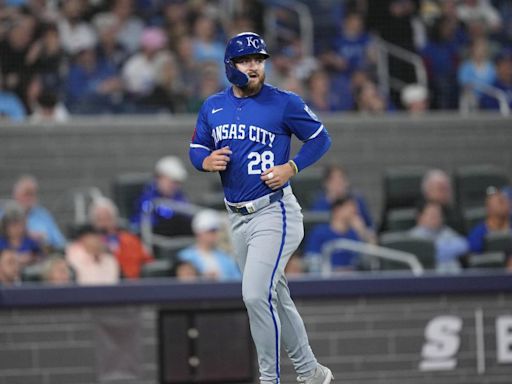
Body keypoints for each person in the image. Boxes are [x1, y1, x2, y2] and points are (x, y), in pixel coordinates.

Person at [189, 32, 333, 384]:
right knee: (275, 295)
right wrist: (205, 160)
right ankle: (311, 372)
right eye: (245, 60)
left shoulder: (284, 102)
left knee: (255, 294)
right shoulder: (213, 106)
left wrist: (292, 167)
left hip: (274, 210)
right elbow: (196, 148)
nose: (254, 66)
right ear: (231, 66)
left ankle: (269, 380)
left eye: (258, 59)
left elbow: (320, 139)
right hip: (236, 218)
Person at [89, 197, 153, 279]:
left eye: (107, 218)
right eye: (100, 219)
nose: (104, 223)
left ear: (114, 219)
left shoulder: (131, 240)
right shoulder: (86, 245)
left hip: (129, 285)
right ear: (94, 222)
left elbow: (148, 260)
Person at [305, 197, 373, 273]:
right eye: (350, 208)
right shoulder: (320, 233)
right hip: (328, 279)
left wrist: (363, 232)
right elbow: (312, 261)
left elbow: (370, 261)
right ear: (337, 210)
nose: (354, 212)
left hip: (352, 279)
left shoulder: (355, 234)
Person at [131, 155, 192, 236]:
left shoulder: (178, 195)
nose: (174, 186)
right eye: (172, 182)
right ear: (160, 178)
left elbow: (186, 213)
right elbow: (145, 221)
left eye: (177, 183)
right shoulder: (147, 195)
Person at [177, 209, 240, 281]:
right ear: (199, 233)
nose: (215, 235)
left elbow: (237, 281)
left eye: (215, 231)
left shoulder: (226, 257)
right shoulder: (185, 256)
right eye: (210, 231)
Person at [409, 201, 468, 273]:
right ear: (420, 217)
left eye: (438, 215)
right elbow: (419, 251)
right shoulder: (412, 236)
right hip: (424, 277)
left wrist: (433, 249)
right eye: (432, 215)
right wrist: (445, 249)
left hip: (451, 277)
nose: (436, 218)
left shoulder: (446, 232)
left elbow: (463, 246)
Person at [11, 175, 66, 250]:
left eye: (32, 194)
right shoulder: (6, 216)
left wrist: (44, 239)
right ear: (16, 195)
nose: (29, 198)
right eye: (26, 194)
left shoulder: (43, 215)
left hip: (44, 256)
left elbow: (60, 242)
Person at [311, 164, 373, 230]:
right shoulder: (320, 203)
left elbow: (369, 225)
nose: (339, 184)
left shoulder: (356, 200)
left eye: (342, 179)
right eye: (334, 181)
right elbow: (316, 225)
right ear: (326, 184)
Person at [467, 187, 512, 254]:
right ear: (488, 207)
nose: (504, 204)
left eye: (506, 201)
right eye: (500, 201)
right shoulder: (478, 234)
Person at [0, 201, 43, 267]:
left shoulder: (30, 241)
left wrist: (32, 258)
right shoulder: (2, 242)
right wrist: (17, 258)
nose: (17, 229)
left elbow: (41, 257)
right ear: (5, 227)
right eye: (13, 225)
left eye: (20, 225)